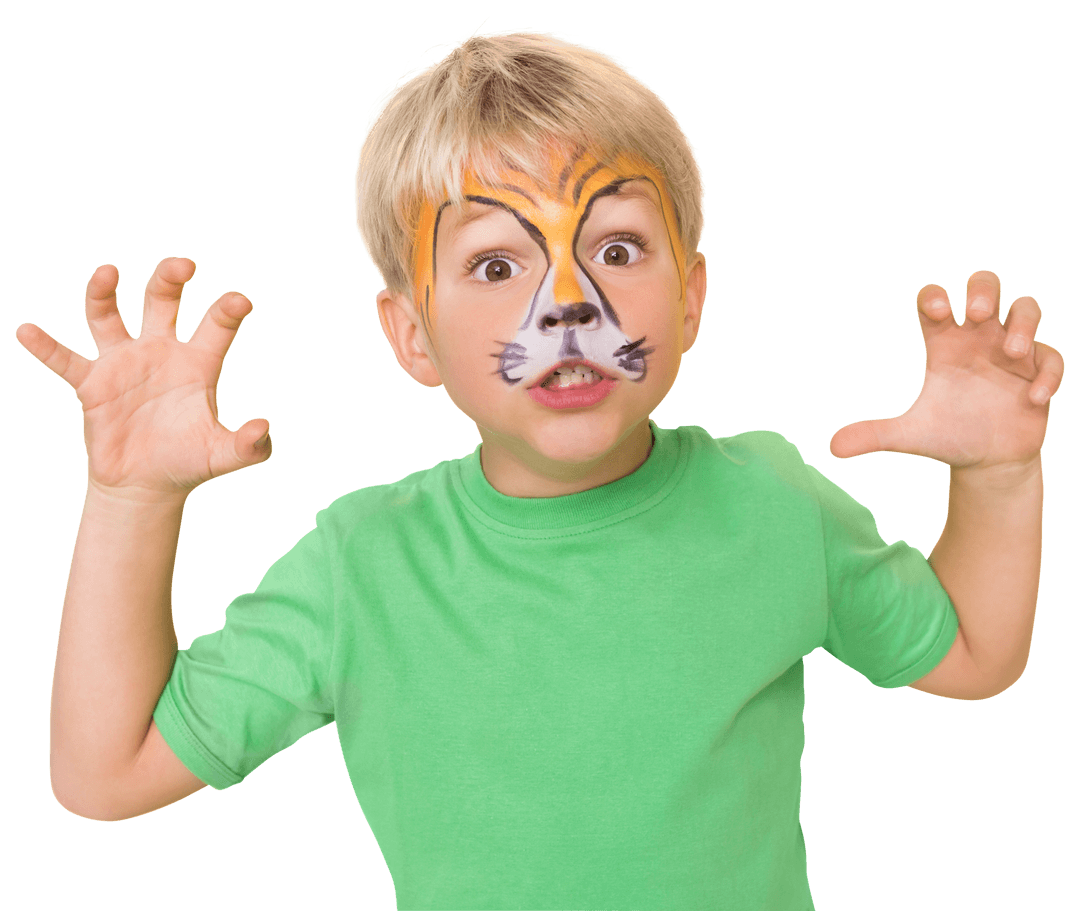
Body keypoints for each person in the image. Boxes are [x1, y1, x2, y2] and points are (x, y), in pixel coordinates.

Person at [17, 26, 1063, 911]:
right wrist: (131, 497)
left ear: (690, 297)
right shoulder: (365, 561)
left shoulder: (773, 503)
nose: (567, 305)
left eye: (615, 248)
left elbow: (971, 655)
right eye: (495, 264)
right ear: (410, 333)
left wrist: (1002, 473)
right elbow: (105, 776)